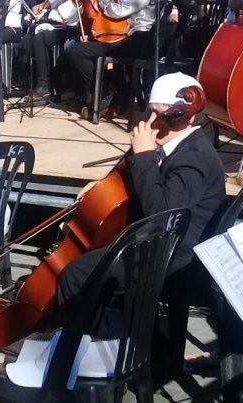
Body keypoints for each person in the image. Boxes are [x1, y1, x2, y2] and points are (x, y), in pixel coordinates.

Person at [56, 73, 225, 313]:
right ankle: (101, 325)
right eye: (150, 111)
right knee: (91, 258)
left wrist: (145, 156)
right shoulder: (173, 145)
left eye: (163, 115)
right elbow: (144, 183)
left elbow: (163, 215)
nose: (152, 122)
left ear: (186, 117)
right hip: (160, 240)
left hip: (177, 256)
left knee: (75, 274)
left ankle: (77, 335)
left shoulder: (195, 158)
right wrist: (102, 186)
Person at [65, 0, 158, 114]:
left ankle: (105, 90)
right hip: (125, 35)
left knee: (77, 51)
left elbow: (117, 11)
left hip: (138, 39)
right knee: (78, 45)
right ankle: (110, 93)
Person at [21, 0, 80, 100]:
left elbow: (62, 4)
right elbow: (50, 2)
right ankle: (34, 79)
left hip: (67, 25)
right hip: (52, 22)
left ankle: (44, 85)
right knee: (27, 39)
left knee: (40, 38)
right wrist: (42, 4)